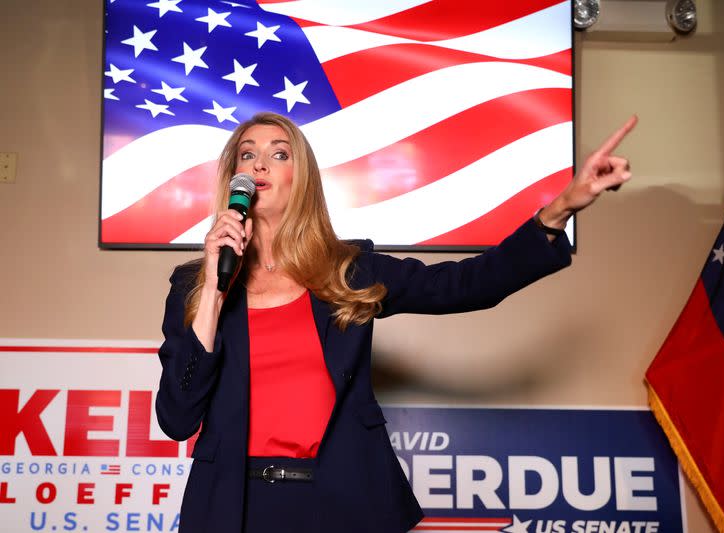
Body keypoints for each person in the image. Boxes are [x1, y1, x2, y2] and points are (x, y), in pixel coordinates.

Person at [155, 112, 637, 533]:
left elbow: (466, 284)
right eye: (247, 154)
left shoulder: (349, 270)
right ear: (233, 175)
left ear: (301, 179)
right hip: (234, 507)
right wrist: (215, 291)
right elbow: (177, 419)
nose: (259, 164)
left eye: (279, 154)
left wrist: (559, 211)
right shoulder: (193, 287)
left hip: (340, 504)